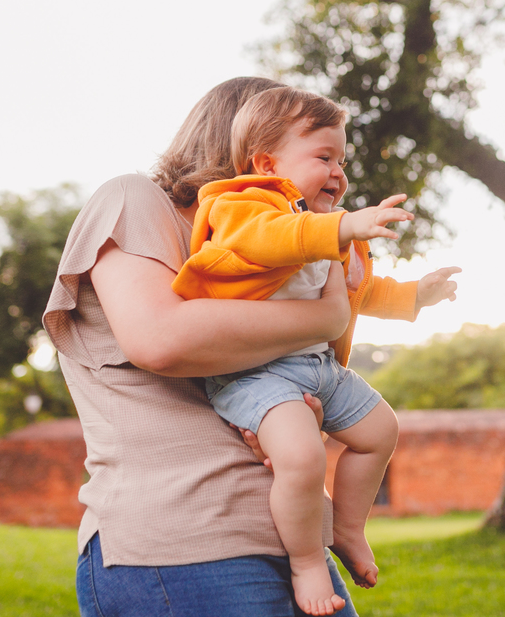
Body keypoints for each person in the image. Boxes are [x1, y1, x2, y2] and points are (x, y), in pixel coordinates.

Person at [44, 77, 363, 617]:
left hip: (286, 541)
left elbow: (310, 360)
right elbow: (160, 339)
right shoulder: (133, 199)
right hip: (183, 546)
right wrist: (326, 311)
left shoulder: (260, 256)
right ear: (249, 147)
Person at [171, 87, 461, 616]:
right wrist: (343, 226)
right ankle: (306, 562)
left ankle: (348, 527)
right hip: (256, 374)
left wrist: (416, 295)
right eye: (324, 158)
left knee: (380, 432)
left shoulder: (330, 232)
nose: (339, 173)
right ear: (266, 163)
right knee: (302, 458)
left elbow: (361, 292)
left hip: (319, 367)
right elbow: (271, 239)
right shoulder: (240, 204)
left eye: (342, 160)